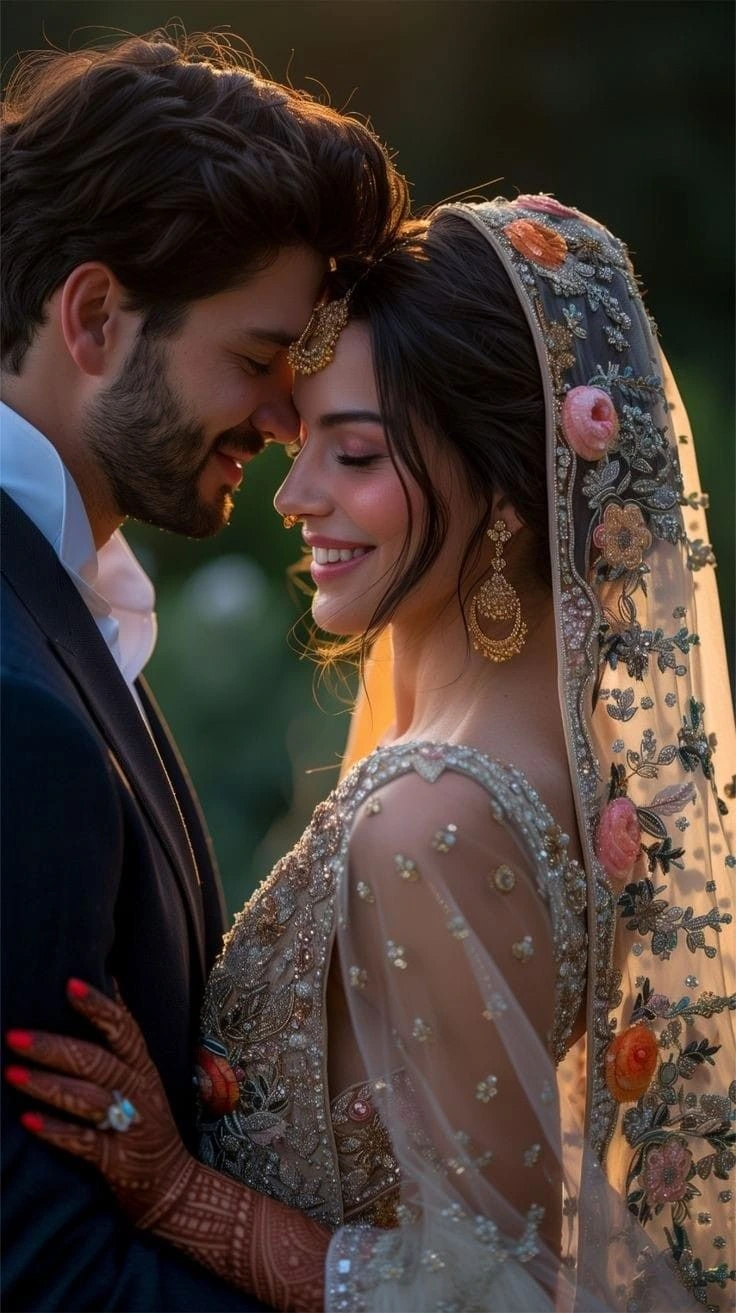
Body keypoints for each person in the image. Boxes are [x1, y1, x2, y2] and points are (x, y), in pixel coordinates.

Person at [8, 197, 735, 1312]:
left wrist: (185, 1198)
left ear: (506, 482)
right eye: (303, 444)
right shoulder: (513, 756)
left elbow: (500, 1288)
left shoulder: (434, 809)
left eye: (351, 453)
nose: (294, 496)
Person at [0, 29, 409, 1312]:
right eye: (253, 358)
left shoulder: (61, 612)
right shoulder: (21, 714)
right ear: (94, 317)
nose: (285, 421)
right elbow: (44, 1276)